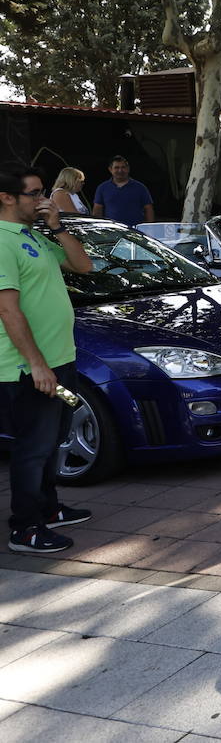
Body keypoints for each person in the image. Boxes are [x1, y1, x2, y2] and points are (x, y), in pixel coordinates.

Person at [0, 162, 95, 553]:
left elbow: (83, 265)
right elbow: (8, 311)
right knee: (32, 447)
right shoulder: (1, 241)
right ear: (6, 198)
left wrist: (57, 226)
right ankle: (25, 528)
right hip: (27, 367)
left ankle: (48, 508)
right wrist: (37, 364)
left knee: (52, 440)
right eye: (34, 193)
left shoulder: (33, 236)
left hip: (59, 359)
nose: (42, 199)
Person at [92, 155, 154, 227]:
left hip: (135, 232)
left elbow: (148, 209)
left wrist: (150, 227)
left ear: (128, 169)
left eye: (123, 167)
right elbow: (97, 210)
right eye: (116, 168)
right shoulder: (102, 188)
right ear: (110, 169)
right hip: (111, 231)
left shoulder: (140, 187)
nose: (120, 170)